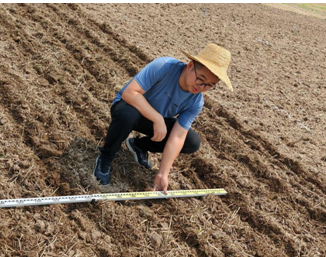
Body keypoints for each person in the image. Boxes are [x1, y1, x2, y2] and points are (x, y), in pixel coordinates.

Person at [93, 43, 233, 194]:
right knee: (128, 114)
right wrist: (157, 118)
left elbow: (178, 137)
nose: (202, 87)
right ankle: (105, 159)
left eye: (209, 85)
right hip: (128, 107)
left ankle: (139, 145)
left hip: (152, 122)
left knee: (191, 142)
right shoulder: (164, 67)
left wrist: (163, 174)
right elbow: (130, 93)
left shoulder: (196, 102)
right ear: (190, 65)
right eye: (201, 79)